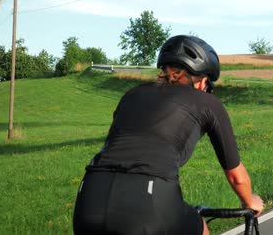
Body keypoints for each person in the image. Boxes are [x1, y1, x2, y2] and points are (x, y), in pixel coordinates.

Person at [73, 35, 263, 235]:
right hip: (148, 200)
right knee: (199, 226)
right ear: (202, 82)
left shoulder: (132, 95)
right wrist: (249, 201)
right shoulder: (207, 102)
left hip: (90, 197)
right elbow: (236, 177)